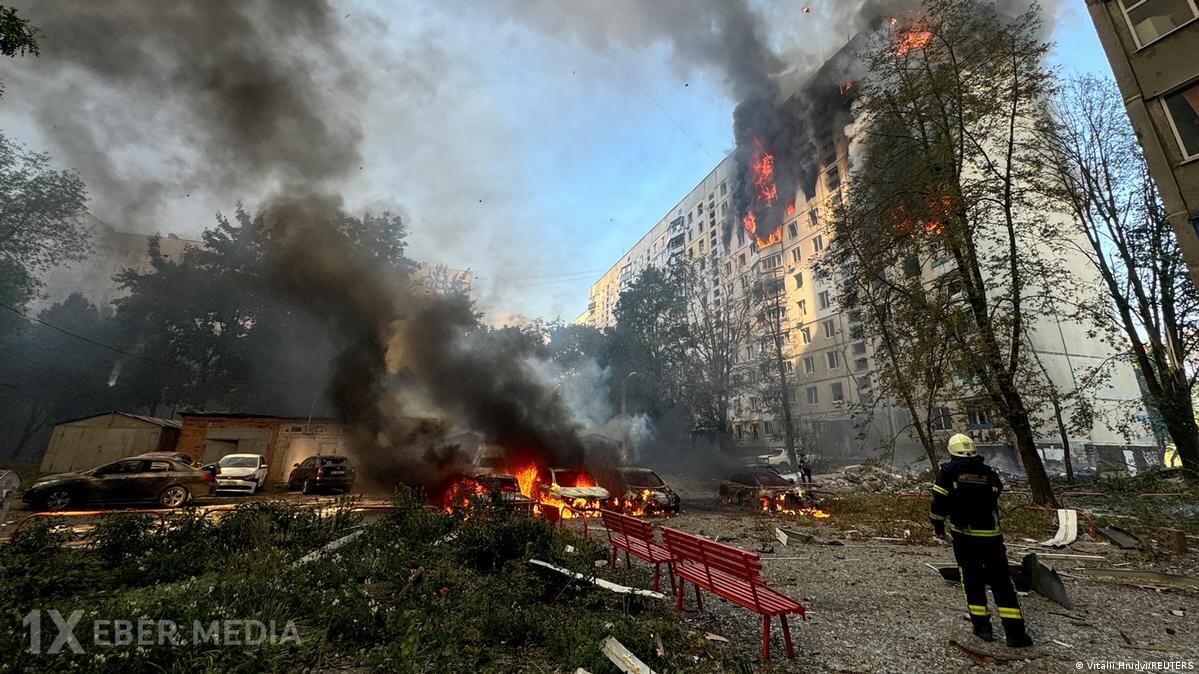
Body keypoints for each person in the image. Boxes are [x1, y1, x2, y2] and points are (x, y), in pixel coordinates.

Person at [930, 433, 1032, 648]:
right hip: (992, 538)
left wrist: (938, 525)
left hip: (964, 537)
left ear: (951, 452)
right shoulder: (987, 472)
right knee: (1002, 582)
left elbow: (939, 502)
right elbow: (996, 491)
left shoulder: (948, 472)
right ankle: (1016, 634)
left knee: (972, 580)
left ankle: (982, 627)